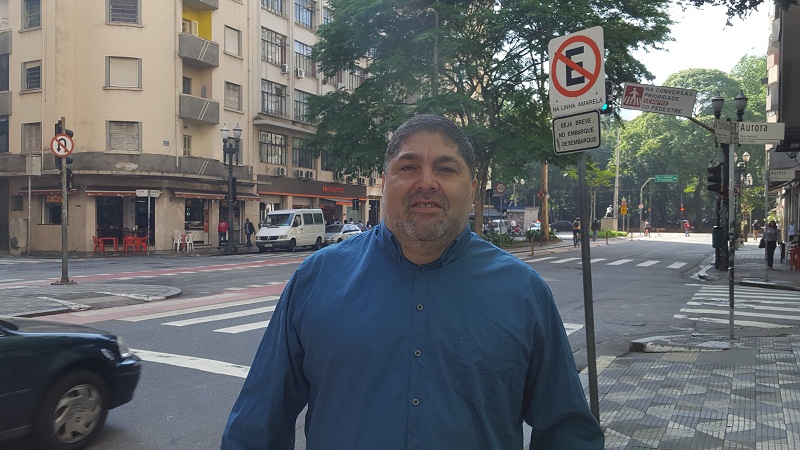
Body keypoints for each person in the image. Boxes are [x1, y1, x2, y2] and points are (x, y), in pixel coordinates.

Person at [221, 114, 603, 449]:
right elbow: (257, 426)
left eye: (446, 169)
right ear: (385, 181)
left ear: (472, 189)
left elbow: (567, 431)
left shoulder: (523, 292)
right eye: (408, 167)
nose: (426, 182)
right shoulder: (316, 279)